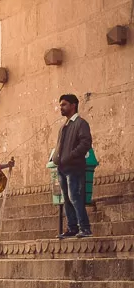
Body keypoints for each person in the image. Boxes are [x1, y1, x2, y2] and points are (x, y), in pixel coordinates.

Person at [52, 93, 93, 239]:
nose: (61, 107)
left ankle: (85, 228)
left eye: (64, 104)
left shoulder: (81, 123)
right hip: (62, 167)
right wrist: (56, 158)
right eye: (60, 104)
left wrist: (71, 156)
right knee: (66, 199)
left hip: (74, 167)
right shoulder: (64, 126)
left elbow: (86, 143)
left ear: (73, 105)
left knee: (75, 197)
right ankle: (72, 228)